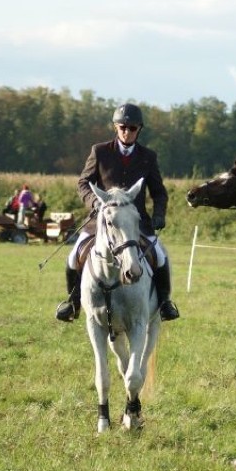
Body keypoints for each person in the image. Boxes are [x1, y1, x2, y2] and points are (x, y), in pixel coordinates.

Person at [55, 103, 180, 322]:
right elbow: (83, 182)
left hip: (136, 223)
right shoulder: (100, 151)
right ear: (115, 127)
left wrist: (159, 213)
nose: (127, 131)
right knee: (73, 256)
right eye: (122, 127)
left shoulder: (148, 156)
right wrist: (95, 202)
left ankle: (164, 303)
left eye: (132, 128)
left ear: (139, 129)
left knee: (160, 256)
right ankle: (72, 303)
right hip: (103, 221)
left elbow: (159, 192)